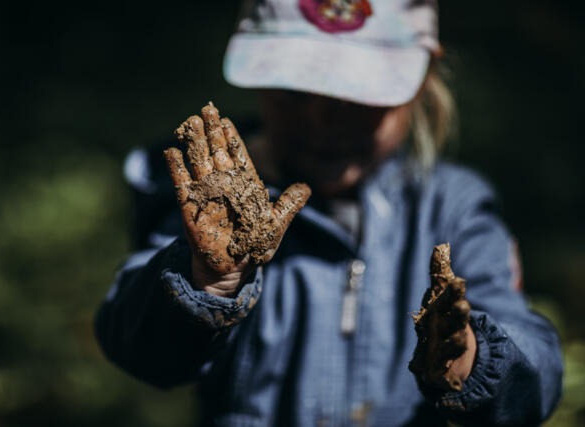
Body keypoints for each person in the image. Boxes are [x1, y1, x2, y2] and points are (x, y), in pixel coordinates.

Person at [95, 0, 563, 425]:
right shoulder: (209, 204)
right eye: (295, 91)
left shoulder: (452, 208)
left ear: (422, 80)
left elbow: (535, 378)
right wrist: (208, 284)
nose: (324, 119)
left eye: (359, 94)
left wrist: (471, 359)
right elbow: (141, 350)